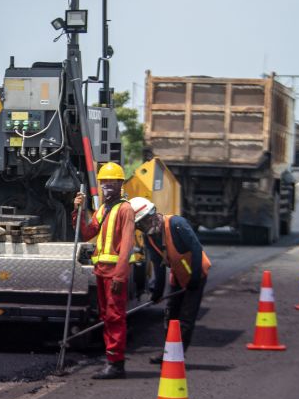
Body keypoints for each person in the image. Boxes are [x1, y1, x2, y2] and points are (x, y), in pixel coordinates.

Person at [73, 162, 136, 380]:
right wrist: (78, 211)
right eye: (103, 182)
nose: (106, 185)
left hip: (114, 274)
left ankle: (116, 364)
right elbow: (87, 232)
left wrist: (120, 274)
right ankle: (112, 359)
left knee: (115, 316)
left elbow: (127, 244)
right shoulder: (103, 209)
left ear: (120, 184)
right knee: (106, 316)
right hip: (101, 271)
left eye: (111, 182)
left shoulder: (125, 209)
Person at [130, 197, 210, 365]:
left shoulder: (177, 224)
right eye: (139, 226)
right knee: (170, 314)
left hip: (195, 274)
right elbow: (158, 265)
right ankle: (168, 351)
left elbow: (196, 249)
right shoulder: (149, 237)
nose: (142, 228)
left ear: (151, 216)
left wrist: (194, 279)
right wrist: (157, 291)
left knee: (186, 318)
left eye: (142, 223)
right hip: (178, 276)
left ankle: (178, 354)